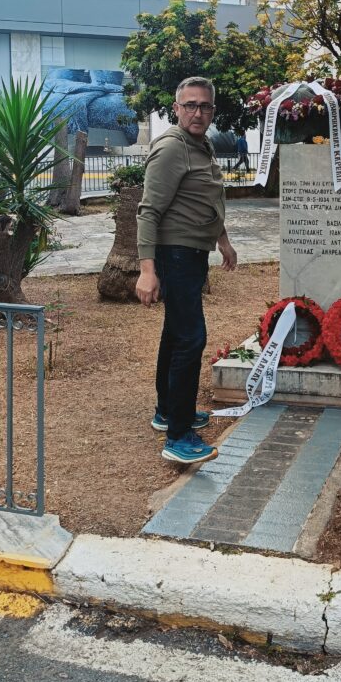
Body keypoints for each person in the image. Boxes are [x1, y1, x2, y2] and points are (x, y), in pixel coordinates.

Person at [136, 76, 237, 464]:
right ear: (176, 109)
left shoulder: (201, 144)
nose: (198, 112)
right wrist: (147, 270)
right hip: (174, 254)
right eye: (190, 105)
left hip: (192, 252)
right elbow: (148, 212)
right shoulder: (171, 148)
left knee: (176, 333)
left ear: (212, 110)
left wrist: (222, 240)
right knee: (191, 339)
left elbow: (207, 197)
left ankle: (167, 411)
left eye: (205, 106)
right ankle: (178, 436)